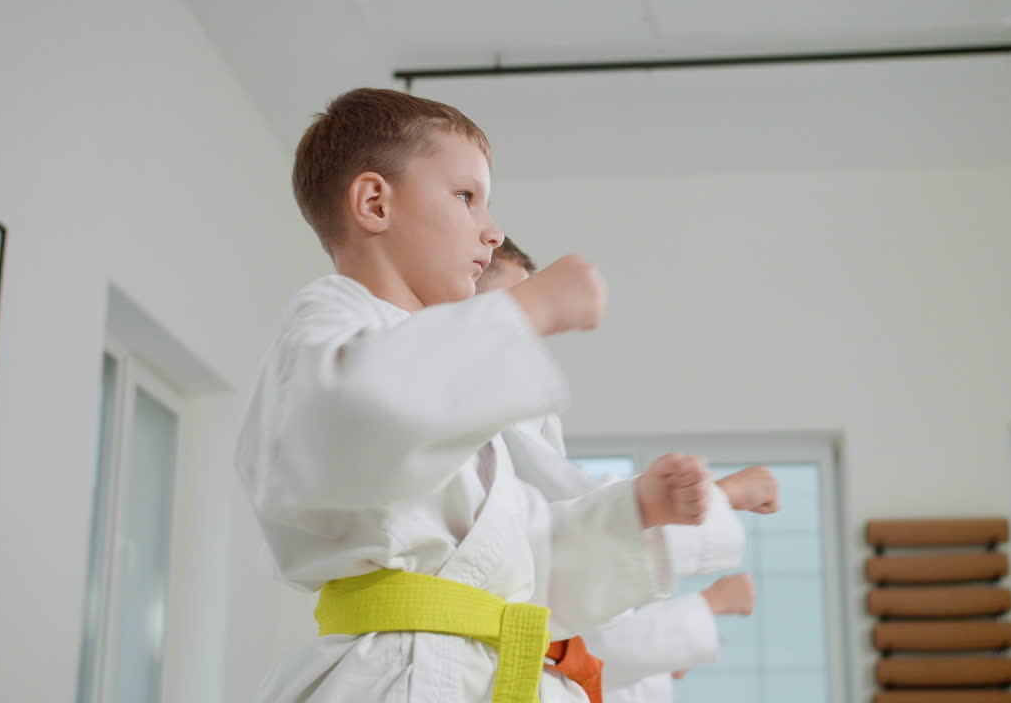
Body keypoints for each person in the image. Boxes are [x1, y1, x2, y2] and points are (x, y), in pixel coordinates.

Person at [235, 88, 717, 703]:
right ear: (374, 202)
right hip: (395, 675)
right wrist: (528, 307)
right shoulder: (327, 324)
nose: (493, 232)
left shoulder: (438, 376)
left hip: (481, 669)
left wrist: (632, 514)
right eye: (467, 197)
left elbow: (511, 556)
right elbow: (348, 420)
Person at [478, 240, 780, 703]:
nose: (527, 334)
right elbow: (568, 519)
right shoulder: (474, 408)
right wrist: (721, 498)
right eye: (512, 308)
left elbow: (571, 524)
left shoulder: (523, 414)